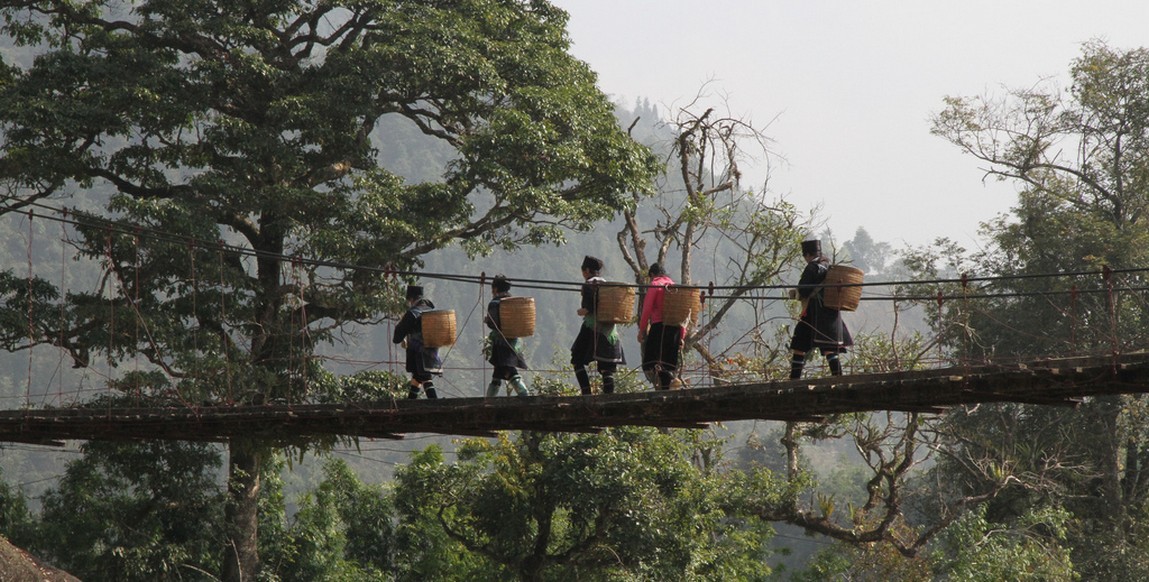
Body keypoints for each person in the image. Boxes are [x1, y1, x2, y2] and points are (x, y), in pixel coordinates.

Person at [789, 239, 853, 379]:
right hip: (831, 313)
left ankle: (794, 379)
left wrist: (796, 293)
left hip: (813, 313)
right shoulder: (828, 266)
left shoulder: (812, 267)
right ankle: (838, 377)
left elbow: (804, 290)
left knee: (799, 344)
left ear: (807, 255)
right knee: (830, 348)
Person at [570, 255, 625, 395]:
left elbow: (589, 308)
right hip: (610, 330)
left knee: (576, 358)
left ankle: (586, 392)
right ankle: (608, 396)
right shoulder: (608, 285)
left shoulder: (589, 284)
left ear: (587, 270)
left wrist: (581, 311)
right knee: (607, 366)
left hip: (591, 327)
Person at [638, 263, 686, 390]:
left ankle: (669, 379)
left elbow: (647, 309)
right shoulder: (675, 287)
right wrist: (682, 335)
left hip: (659, 326)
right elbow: (683, 312)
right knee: (668, 362)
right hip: (675, 328)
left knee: (650, 361)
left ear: (652, 275)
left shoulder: (655, 285)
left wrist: (642, 329)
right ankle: (667, 385)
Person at [393, 284, 443, 399]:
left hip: (418, 351)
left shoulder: (413, 313)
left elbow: (397, 337)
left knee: (425, 377)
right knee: (417, 378)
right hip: (433, 349)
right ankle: (410, 403)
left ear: (411, 299)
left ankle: (435, 404)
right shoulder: (433, 312)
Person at [484, 275, 530, 397]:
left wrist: (487, 320)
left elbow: (493, 324)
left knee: (508, 370)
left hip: (500, 343)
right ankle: (489, 400)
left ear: (495, 289)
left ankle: (524, 394)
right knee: (497, 373)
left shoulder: (494, 303)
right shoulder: (513, 303)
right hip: (514, 342)